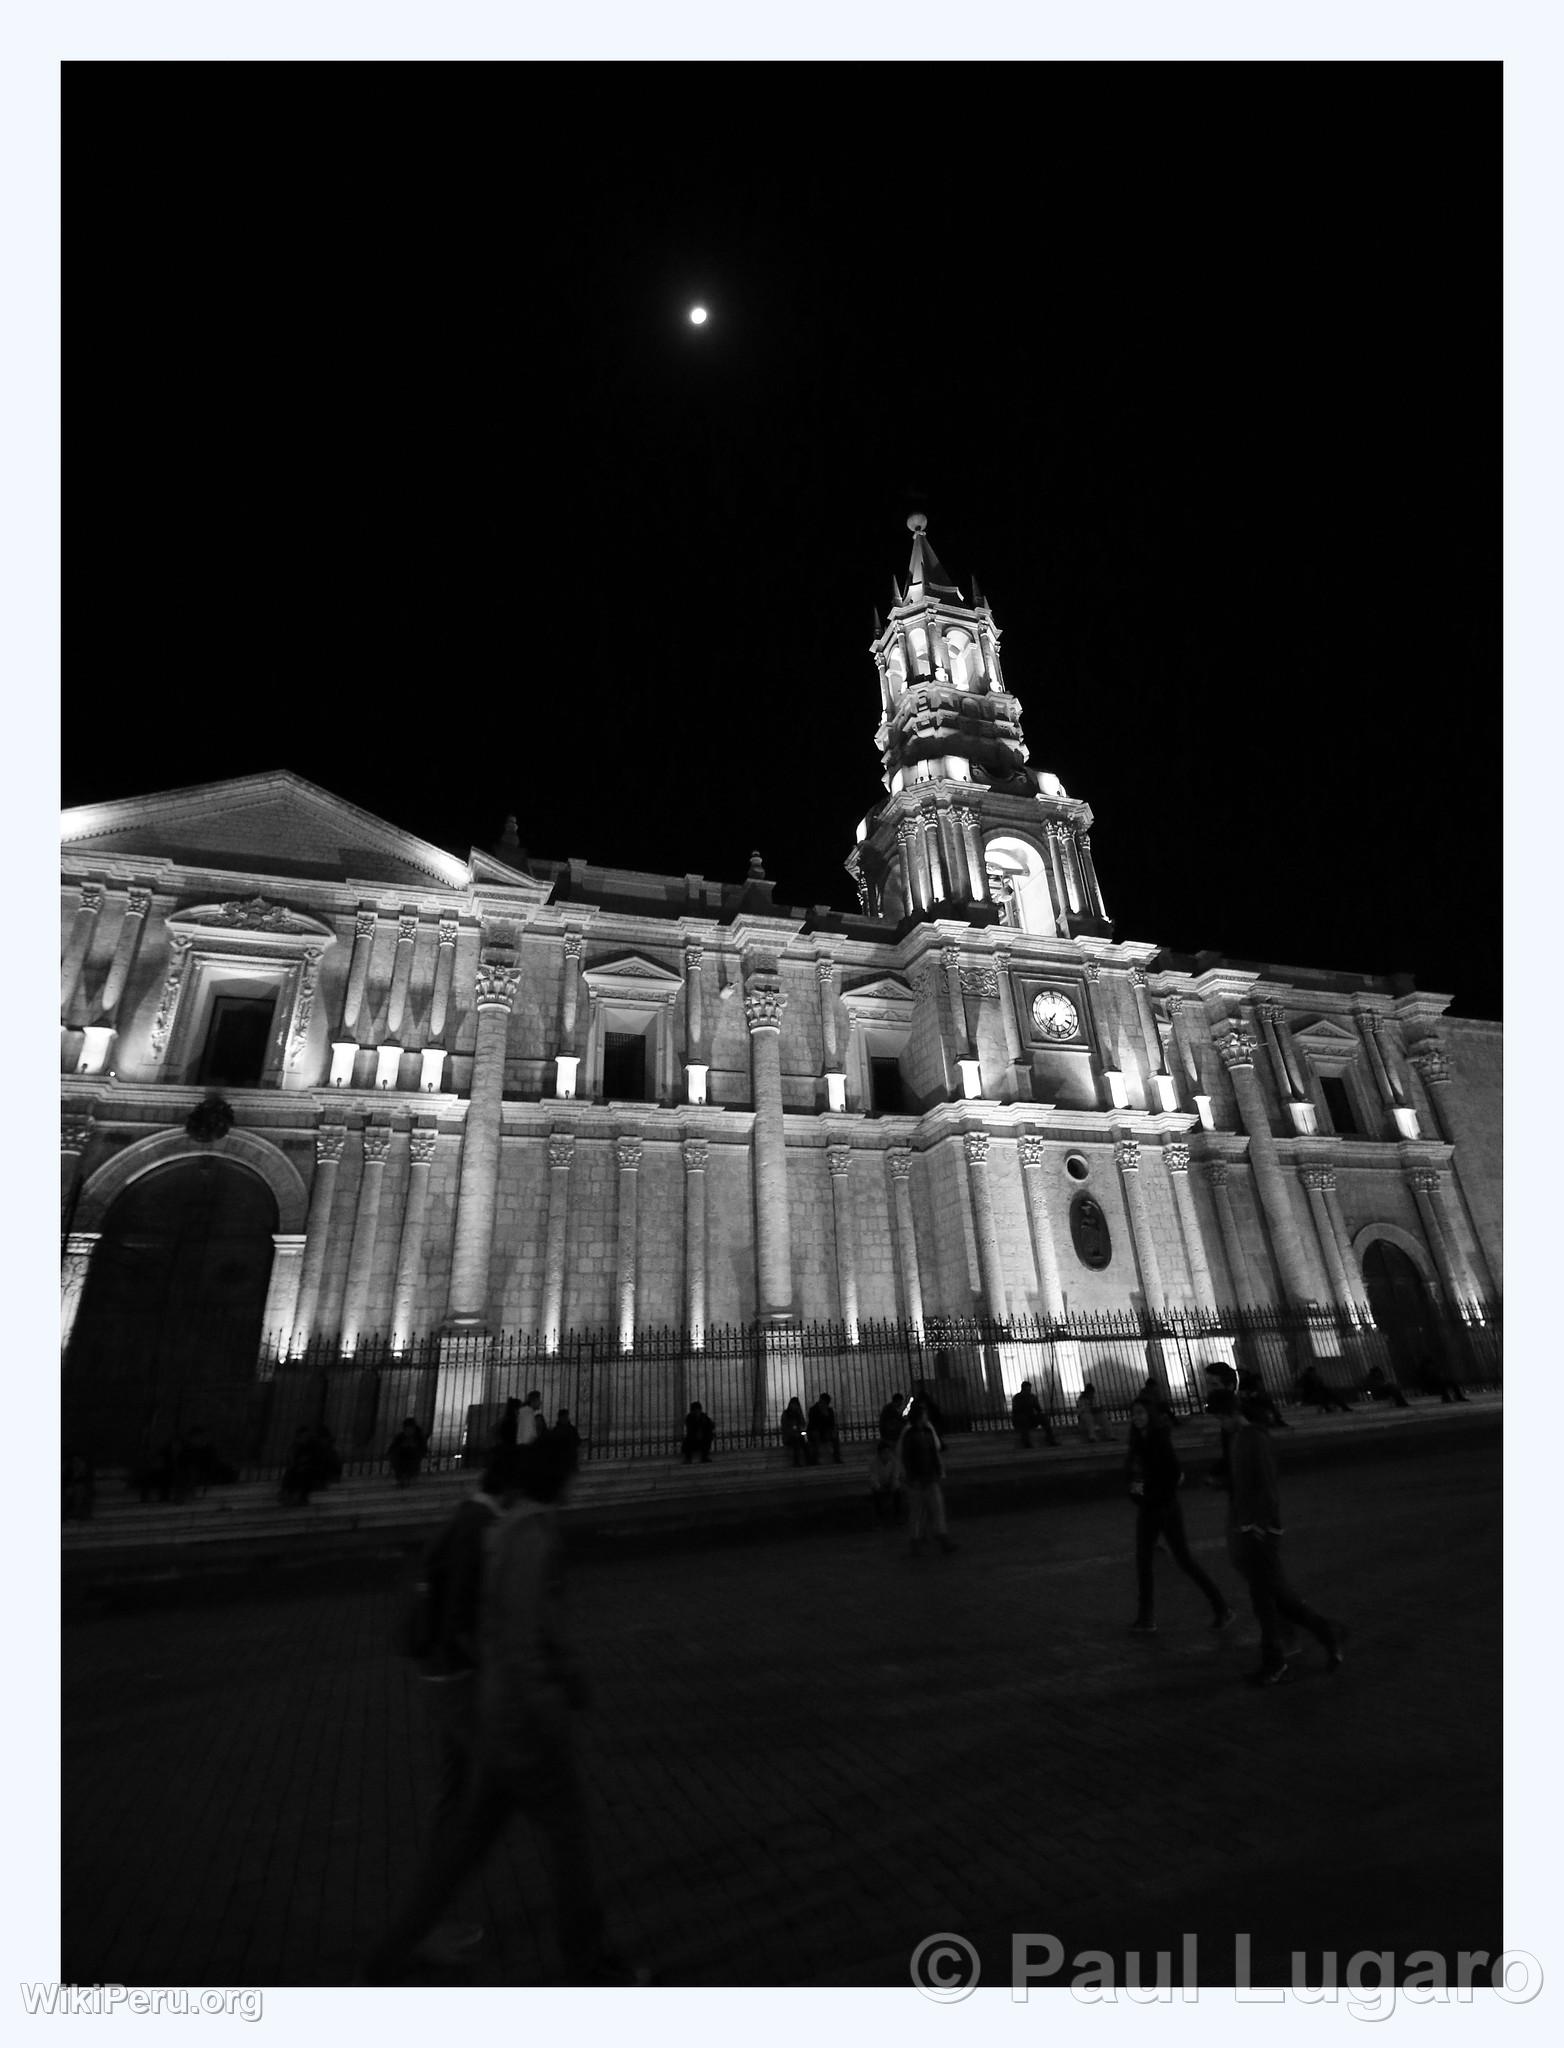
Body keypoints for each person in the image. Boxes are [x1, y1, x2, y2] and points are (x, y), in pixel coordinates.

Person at [363, 1435, 639, 1984]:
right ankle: (587, 1967)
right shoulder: (522, 1533)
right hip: (520, 1727)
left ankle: (383, 1961)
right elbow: (516, 1635)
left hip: (496, 1721)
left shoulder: (502, 1529)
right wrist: (552, 1688)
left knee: (463, 1847)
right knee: (567, 1843)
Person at [1207, 1363, 1345, 1686]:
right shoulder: (1239, 1438)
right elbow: (1240, 1476)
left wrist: (1260, 1525)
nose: (1220, 1426)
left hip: (1259, 1529)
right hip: (1248, 1524)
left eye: (1220, 1420)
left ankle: (1277, 1657)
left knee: (1265, 1596)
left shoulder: (1252, 1437)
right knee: (1274, 1595)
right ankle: (1325, 1634)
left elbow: (1265, 1485)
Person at [1126, 1394, 1233, 1635]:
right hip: (1149, 1507)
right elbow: (1132, 1469)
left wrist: (1153, 1494)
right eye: (1134, 1414)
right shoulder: (1137, 1440)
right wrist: (1133, 1487)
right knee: (1147, 1560)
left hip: (1162, 1507)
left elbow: (1173, 1473)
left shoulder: (1158, 1440)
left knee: (1180, 1560)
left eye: (1141, 1413)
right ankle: (1147, 1616)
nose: (1137, 1418)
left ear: (1150, 1415)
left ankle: (1220, 1606)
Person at [897, 1395, 956, 1556]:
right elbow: (906, 1457)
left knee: (936, 1509)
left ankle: (940, 1538)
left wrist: (937, 1471)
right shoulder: (910, 1434)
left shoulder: (925, 1431)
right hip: (917, 1479)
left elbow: (934, 1453)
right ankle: (918, 1542)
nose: (927, 1417)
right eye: (924, 1415)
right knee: (918, 1511)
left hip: (929, 1477)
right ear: (919, 1416)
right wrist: (910, 1476)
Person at [867, 1438, 902, 1524]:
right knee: (876, 1496)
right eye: (885, 1453)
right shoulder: (874, 1462)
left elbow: (896, 1475)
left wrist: (894, 1484)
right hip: (879, 1484)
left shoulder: (894, 1461)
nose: (887, 1455)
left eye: (889, 1452)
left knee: (898, 1492)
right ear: (879, 1454)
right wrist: (878, 1486)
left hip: (890, 1482)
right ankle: (879, 1518)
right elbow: (873, 1477)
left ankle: (898, 1515)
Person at [387, 1415, 427, 1488]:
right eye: (407, 1429)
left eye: (410, 1428)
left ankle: (406, 1478)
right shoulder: (400, 1437)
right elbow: (392, 1449)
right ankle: (402, 1478)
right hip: (401, 1458)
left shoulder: (418, 1438)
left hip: (412, 1458)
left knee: (410, 1458)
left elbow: (423, 1450)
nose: (408, 1431)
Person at [1011, 1379, 1051, 1450]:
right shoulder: (1017, 1397)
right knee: (1023, 1419)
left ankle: (1050, 1438)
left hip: (1030, 1418)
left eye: (1029, 1389)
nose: (1028, 1391)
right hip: (1021, 1420)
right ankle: (1026, 1442)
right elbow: (1016, 1411)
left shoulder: (1032, 1397)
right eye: (1027, 1389)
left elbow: (1038, 1408)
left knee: (1043, 1418)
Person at [807, 1392, 843, 1465]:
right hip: (815, 1432)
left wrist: (832, 1430)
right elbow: (813, 1424)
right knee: (816, 1437)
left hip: (825, 1432)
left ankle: (837, 1457)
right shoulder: (813, 1410)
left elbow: (832, 1424)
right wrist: (822, 1414)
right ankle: (814, 1459)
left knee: (835, 1437)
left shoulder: (829, 1411)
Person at [782, 1396, 812, 1467]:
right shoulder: (786, 1414)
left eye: (796, 1405)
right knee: (796, 1441)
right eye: (793, 1404)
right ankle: (796, 1462)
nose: (794, 1406)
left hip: (798, 1435)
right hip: (789, 1436)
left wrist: (804, 1435)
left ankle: (809, 1460)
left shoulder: (799, 1414)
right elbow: (785, 1428)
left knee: (806, 1442)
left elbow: (803, 1426)